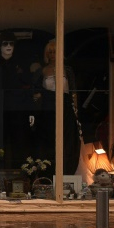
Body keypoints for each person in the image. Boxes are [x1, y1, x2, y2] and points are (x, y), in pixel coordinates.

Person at [30, 39, 82, 176]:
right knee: (49, 141)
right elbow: (35, 92)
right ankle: (48, 173)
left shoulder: (68, 70)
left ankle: (66, 173)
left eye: (55, 52)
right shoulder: (42, 71)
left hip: (65, 107)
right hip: (48, 109)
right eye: (50, 52)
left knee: (67, 140)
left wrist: (75, 111)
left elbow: (73, 92)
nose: (53, 54)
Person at [0, 30, 35, 171]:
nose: (8, 46)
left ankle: (20, 174)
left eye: (11, 44)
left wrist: (30, 110)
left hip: (17, 109)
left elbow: (27, 87)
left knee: (18, 142)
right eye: (5, 43)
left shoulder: (20, 64)